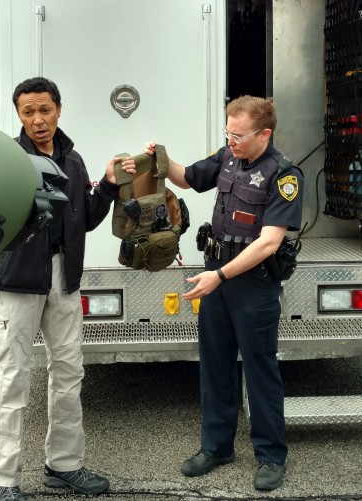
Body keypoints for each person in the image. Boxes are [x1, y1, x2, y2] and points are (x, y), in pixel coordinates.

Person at [132, 95, 303, 491]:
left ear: (265, 133)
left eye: (239, 135)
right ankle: (217, 447)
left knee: (260, 370)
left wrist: (219, 277)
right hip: (217, 275)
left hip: (252, 284)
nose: (231, 141)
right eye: (227, 132)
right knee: (214, 365)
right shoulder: (227, 156)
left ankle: (271, 455)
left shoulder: (284, 174)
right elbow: (185, 177)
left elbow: (269, 243)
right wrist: (161, 157)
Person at [0, 76, 129, 500]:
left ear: (59, 110)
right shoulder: (7, 159)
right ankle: (2, 479)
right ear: (19, 116)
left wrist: (106, 185)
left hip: (63, 279)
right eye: (28, 112)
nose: (38, 119)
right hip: (15, 284)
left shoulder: (73, 160)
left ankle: (63, 465)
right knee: (12, 377)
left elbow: (83, 218)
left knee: (68, 373)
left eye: (44, 109)